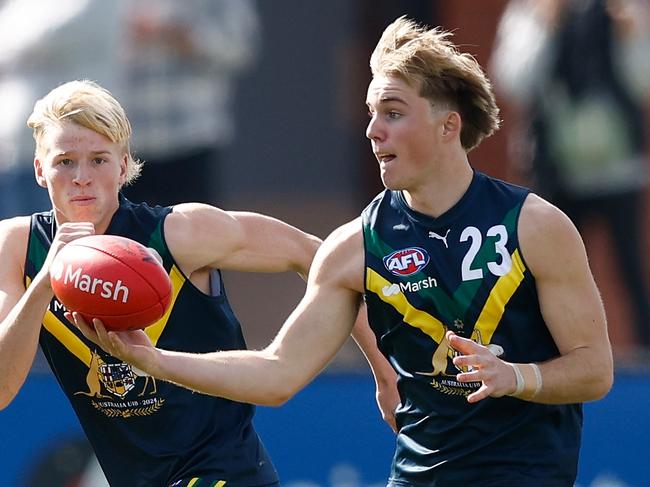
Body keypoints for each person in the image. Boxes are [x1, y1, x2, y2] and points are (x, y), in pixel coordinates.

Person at [73, 17, 614, 486]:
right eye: (371, 112)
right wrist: (152, 360)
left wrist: (517, 377)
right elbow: (277, 373)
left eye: (394, 113)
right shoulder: (355, 246)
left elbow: (595, 369)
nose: (373, 131)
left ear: (450, 125)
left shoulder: (535, 225)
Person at [0, 80, 322, 486]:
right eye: (65, 161)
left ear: (122, 166)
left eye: (99, 160)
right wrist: (45, 282)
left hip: (224, 472)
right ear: (39, 170)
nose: (82, 177)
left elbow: (321, 256)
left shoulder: (180, 233)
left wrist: (383, 370)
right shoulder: (17, 247)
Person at [490, 0, 650, 349]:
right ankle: (543, 350)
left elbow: (643, 81)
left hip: (616, 169)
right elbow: (513, 80)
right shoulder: (529, 14)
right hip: (553, 170)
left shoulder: (625, 10)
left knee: (630, 270)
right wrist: (544, 26)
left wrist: (630, 33)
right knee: (545, 269)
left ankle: (644, 355)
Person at [120, 0, 260, 207]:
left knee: (196, 236)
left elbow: (240, 45)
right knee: (117, 236)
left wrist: (181, 35)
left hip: (189, 140)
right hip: (120, 142)